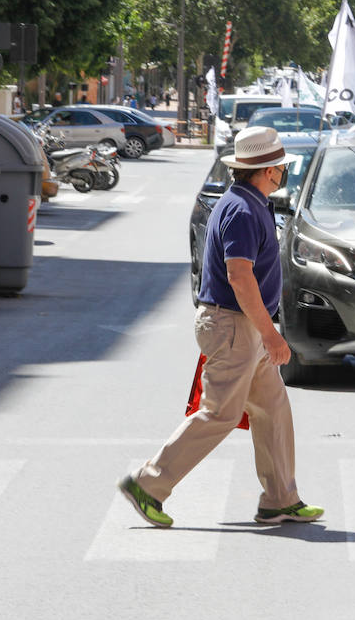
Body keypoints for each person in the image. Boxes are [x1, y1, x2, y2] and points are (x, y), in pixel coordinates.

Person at [116, 127, 323, 529]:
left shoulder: (249, 202)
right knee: (219, 414)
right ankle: (147, 484)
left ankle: (280, 500)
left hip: (241, 326)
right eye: (280, 166)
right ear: (268, 170)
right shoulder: (243, 211)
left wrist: (263, 331)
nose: (283, 171)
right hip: (234, 326)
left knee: (273, 408)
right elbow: (239, 277)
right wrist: (270, 334)